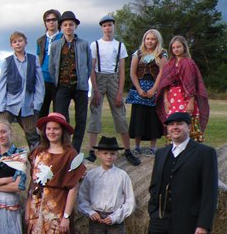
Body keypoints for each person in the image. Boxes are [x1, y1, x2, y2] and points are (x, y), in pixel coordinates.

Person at [26, 112, 87, 234]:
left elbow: (73, 188)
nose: (51, 132)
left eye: (56, 128)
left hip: (57, 208)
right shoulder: (38, 152)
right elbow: (32, 182)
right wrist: (28, 208)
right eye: (49, 128)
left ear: (63, 131)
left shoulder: (70, 155)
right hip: (36, 208)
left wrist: (66, 216)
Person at [87, 15, 140, 166]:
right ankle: (91, 151)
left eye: (110, 25)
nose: (107, 28)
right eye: (104, 26)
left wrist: (119, 92)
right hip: (99, 78)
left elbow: (122, 70)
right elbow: (91, 68)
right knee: (95, 115)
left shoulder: (120, 45)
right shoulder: (95, 45)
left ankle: (127, 150)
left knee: (120, 115)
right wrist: (95, 89)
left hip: (114, 79)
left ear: (114, 26)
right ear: (101, 28)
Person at [49, 10, 93, 153]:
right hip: (62, 85)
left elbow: (89, 65)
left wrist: (83, 80)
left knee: (81, 119)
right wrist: (57, 81)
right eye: (65, 25)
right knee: (60, 118)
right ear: (61, 27)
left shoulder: (83, 44)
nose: (68, 27)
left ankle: (75, 149)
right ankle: (64, 147)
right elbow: (52, 66)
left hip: (80, 87)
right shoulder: (55, 45)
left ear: (75, 26)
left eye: (71, 24)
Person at [155, 36, 210, 142]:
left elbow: (192, 85)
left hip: (186, 97)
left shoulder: (188, 63)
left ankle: (191, 145)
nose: (176, 49)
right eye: (173, 47)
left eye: (178, 47)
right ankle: (173, 145)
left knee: (187, 120)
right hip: (172, 98)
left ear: (184, 47)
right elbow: (165, 84)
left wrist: (191, 102)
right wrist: (165, 100)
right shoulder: (169, 64)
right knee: (173, 120)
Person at [0, 31, 45, 149]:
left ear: (25, 43)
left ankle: (37, 156)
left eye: (20, 41)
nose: (18, 44)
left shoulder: (33, 59)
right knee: (0, 131)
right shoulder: (7, 61)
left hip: (28, 105)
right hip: (9, 104)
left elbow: (39, 83)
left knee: (32, 134)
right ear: (11, 45)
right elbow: (2, 84)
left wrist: (37, 103)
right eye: (14, 42)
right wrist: (1, 105)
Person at [126, 29, 168, 155]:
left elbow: (162, 73)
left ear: (157, 41)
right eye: (148, 39)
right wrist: (139, 89)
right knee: (138, 117)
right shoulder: (138, 54)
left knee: (153, 118)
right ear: (144, 40)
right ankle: (137, 146)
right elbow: (133, 73)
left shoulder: (162, 54)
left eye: (153, 39)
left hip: (154, 88)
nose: (150, 41)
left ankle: (152, 147)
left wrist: (154, 89)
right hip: (139, 88)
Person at [36, 9, 63, 119]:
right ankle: (41, 131)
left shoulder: (64, 38)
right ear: (45, 23)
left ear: (58, 21)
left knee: (59, 113)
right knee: (41, 112)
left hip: (59, 80)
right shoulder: (40, 40)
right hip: (43, 79)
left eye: (54, 19)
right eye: (48, 20)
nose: (51, 22)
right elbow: (39, 59)